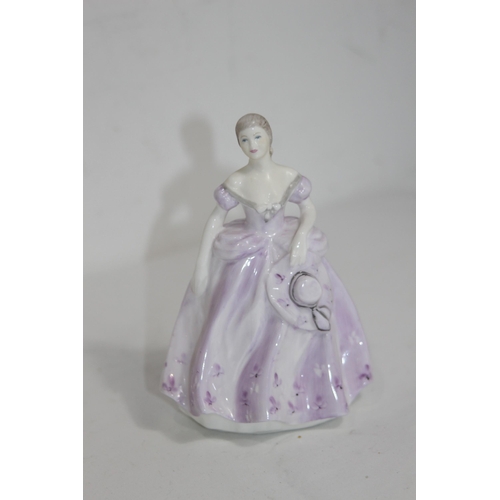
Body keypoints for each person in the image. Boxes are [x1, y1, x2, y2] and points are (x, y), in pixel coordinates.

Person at [162, 114, 371, 433]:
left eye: (257, 137)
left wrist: (301, 236)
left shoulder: (288, 176)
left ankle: (302, 395)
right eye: (244, 140)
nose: (252, 145)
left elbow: (308, 208)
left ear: (270, 138)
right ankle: (241, 397)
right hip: (250, 254)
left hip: (287, 251)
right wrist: (201, 264)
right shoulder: (237, 182)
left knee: (305, 313)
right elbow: (216, 219)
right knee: (240, 322)